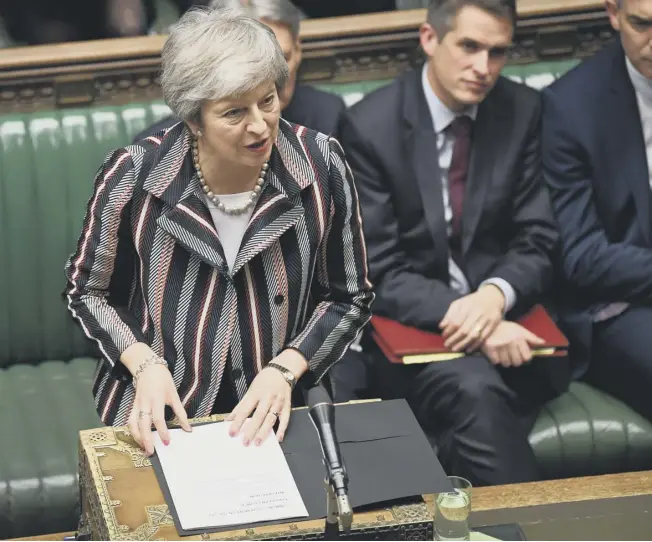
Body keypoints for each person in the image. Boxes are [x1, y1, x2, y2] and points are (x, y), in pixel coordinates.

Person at [63, 7, 373, 456]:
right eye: (233, 113)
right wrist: (144, 363)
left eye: (268, 100)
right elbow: (86, 291)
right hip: (162, 411)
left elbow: (350, 296)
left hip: (280, 407)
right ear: (193, 119)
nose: (260, 124)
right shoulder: (134, 175)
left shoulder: (321, 164)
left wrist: (286, 369)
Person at [340, 0, 560, 486]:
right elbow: (378, 267)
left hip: (514, 330)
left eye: (498, 53)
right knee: (474, 391)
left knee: (479, 400)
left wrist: (494, 296)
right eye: (469, 46)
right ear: (429, 39)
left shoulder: (521, 111)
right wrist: (476, 322)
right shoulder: (369, 127)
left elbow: (538, 236)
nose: (483, 68)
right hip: (418, 337)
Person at [542, 0, 652, 422]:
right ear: (613, 13)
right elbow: (582, 256)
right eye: (642, 25)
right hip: (621, 310)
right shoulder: (571, 107)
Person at [133, 0, 347, 142]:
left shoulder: (328, 116)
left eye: (281, 58)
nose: (271, 78)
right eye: (250, 64)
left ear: (299, 51)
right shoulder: (158, 147)